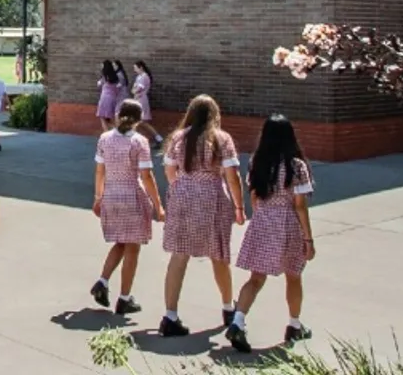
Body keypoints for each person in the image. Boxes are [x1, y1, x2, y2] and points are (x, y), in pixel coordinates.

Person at [158, 94, 247, 338]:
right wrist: (239, 207)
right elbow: (232, 175)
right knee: (218, 254)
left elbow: (169, 169)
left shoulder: (178, 138)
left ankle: (170, 315)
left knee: (179, 255)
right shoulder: (221, 138)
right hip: (213, 196)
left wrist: (181, 187)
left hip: (183, 196)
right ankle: (228, 307)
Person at [228, 115, 317, 352]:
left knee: (256, 278)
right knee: (293, 275)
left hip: (263, 221)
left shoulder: (258, 161)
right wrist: (308, 238)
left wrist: (262, 217)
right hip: (287, 224)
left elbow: (254, 196)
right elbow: (299, 205)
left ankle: (237, 321)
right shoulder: (296, 166)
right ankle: (294, 325)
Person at [92, 99, 166, 315]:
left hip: (111, 195)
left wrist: (98, 197)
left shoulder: (105, 139)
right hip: (132, 195)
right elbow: (147, 175)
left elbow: (99, 171)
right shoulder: (139, 142)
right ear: (139, 119)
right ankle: (124, 297)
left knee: (120, 242)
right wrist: (158, 205)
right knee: (133, 247)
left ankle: (102, 281)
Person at [131, 60, 161, 145]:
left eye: (135, 68)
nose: (134, 70)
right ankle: (156, 138)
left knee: (141, 121)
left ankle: (157, 138)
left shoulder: (144, 77)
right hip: (138, 99)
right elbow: (133, 89)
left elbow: (137, 89)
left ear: (141, 67)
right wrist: (134, 91)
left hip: (141, 100)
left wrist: (135, 91)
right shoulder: (139, 77)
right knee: (140, 122)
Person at [97, 60, 126, 133]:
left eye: (102, 66)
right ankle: (118, 132)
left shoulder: (105, 76)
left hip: (105, 98)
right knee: (109, 118)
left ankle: (107, 136)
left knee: (102, 117)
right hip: (113, 98)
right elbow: (118, 88)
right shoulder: (116, 77)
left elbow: (99, 85)